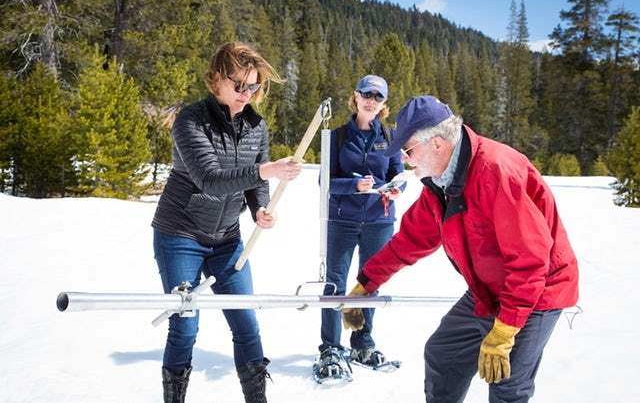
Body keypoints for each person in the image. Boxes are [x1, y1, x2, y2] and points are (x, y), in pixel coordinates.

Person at [342, 95, 579, 402]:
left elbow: (530, 262)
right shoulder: (441, 182)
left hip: (536, 291)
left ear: (437, 144)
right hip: (487, 288)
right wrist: (366, 283)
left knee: (507, 383)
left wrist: (505, 331)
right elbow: (411, 239)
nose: (406, 159)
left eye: (409, 150)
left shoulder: (497, 172)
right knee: (444, 354)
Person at [151, 42, 302, 403]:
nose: (247, 95)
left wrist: (260, 208)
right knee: (186, 325)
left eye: (255, 87)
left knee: (246, 324)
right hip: (180, 234)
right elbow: (210, 179)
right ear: (216, 79)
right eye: (240, 86)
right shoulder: (190, 120)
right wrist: (265, 168)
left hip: (227, 239)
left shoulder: (256, 126)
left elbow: (256, 183)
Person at [315, 75, 405, 382]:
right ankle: (330, 346)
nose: (371, 100)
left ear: (383, 105)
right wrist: (353, 185)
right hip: (342, 220)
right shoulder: (338, 137)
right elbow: (324, 182)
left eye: (378, 97)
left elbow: (399, 177)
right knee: (334, 283)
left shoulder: (391, 138)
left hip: (379, 221)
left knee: (369, 283)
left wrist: (394, 190)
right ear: (355, 96)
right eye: (366, 94)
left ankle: (362, 342)